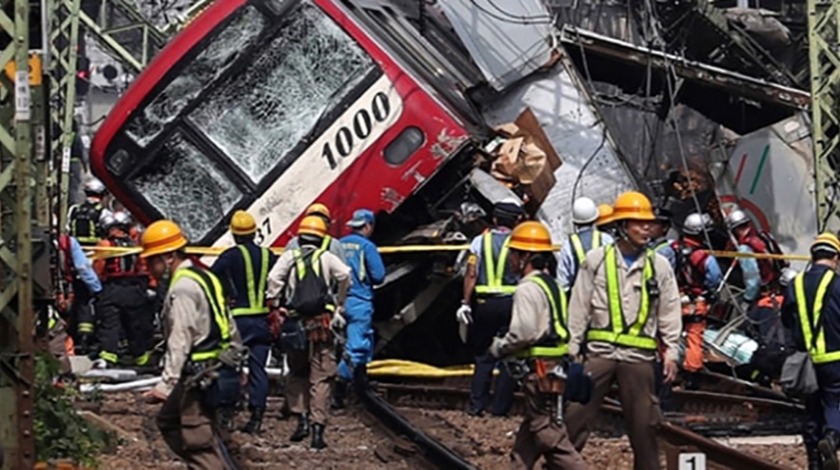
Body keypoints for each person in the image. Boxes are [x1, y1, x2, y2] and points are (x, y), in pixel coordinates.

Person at [565, 191, 682, 470]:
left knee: (645, 427)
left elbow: (669, 309)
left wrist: (672, 350)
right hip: (599, 353)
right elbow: (579, 305)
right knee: (575, 418)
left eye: (648, 223)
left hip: (638, 357)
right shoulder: (596, 260)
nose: (646, 228)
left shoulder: (658, 265)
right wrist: (571, 348)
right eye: (638, 223)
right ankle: (559, 465)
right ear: (621, 226)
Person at [140, 219, 242, 469]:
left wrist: (165, 385)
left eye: (152, 260)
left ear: (168, 257)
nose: (149, 268)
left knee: (197, 438)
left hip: (199, 374)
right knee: (170, 421)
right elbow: (228, 323)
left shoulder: (182, 287)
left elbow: (180, 339)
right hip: (217, 367)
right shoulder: (205, 276)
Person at [488, 221, 587, 470]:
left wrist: (500, 347)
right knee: (529, 437)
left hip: (539, 370)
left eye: (514, 253)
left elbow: (524, 332)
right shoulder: (550, 283)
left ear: (526, 257)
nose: (510, 259)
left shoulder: (527, 288)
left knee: (549, 436)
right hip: (555, 367)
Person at [267, 215, 351, 450]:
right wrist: (339, 302)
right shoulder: (326, 257)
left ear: (300, 236)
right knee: (321, 377)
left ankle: (301, 419)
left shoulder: (290, 257)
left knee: (297, 372)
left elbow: (273, 279)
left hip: (295, 324)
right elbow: (345, 275)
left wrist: (276, 303)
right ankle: (317, 430)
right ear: (321, 236)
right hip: (321, 324)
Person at [211, 210, 278, 434]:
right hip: (262, 320)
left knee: (229, 366)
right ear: (254, 232)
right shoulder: (269, 255)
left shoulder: (230, 256)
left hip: (239, 320)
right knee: (258, 369)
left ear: (234, 234)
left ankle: (227, 414)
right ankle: (256, 417)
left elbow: (212, 277)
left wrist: (226, 293)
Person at [457, 199, 525, 417]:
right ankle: (500, 408)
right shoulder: (519, 242)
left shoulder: (479, 241)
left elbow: (471, 273)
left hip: (485, 304)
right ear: (517, 221)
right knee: (509, 355)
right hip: (512, 303)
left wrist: (465, 303)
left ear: (494, 219)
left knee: (483, 356)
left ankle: (476, 406)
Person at [782, 233, 840, 470]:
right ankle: (832, 438)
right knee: (833, 405)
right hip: (835, 359)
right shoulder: (837, 284)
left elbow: (786, 319)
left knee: (812, 411)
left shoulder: (795, 284)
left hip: (806, 361)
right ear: (835, 257)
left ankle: (815, 462)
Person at [335, 209, 386, 407]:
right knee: (357, 346)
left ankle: (358, 382)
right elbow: (379, 276)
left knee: (340, 345)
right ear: (367, 226)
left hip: (338, 302)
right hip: (359, 302)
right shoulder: (367, 246)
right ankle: (338, 390)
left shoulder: (338, 244)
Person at [93, 211, 153, 367]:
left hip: (112, 289)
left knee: (110, 324)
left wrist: (97, 290)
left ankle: (108, 357)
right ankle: (141, 358)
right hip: (133, 289)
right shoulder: (135, 245)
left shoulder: (105, 245)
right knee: (134, 324)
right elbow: (143, 268)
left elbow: (98, 269)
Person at [671, 213, 722, 383]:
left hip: (675, 300)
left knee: (670, 335)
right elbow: (714, 276)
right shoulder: (702, 255)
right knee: (694, 336)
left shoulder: (671, 249)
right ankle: (691, 375)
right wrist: (709, 291)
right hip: (696, 301)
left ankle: (667, 369)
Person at [725, 208, 785, 313]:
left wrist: (747, 300)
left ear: (734, 230)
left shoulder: (744, 249)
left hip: (764, 296)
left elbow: (753, 281)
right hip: (779, 289)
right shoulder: (764, 236)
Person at [56, 233, 103, 355]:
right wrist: (97, 288)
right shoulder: (68, 242)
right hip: (65, 286)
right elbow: (83, 267)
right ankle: (83, 341)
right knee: (84, 305)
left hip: (45, 287)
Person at [558, 197, 613, 291]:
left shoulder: (568, 246)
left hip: (579, 299)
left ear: (575, 223)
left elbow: (563, 283)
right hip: (605, 296)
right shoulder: (606, 239)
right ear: (595, 218)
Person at [67, 177, 108, 246]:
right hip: (97, 250)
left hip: (77, 249)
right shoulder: (104, 212)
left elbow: (68, 228)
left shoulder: (74, 209)